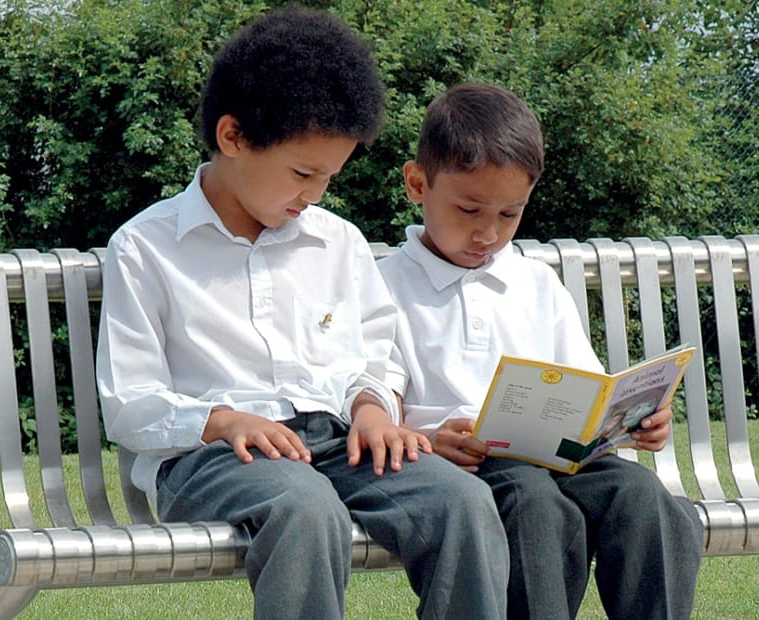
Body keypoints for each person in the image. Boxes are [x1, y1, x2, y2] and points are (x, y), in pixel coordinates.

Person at [94, 8, 509, 620]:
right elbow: (129, 401)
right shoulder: (147, 247)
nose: (314, 195)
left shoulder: (337, 242)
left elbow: (374, 353)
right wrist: (221, 420)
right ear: (233, 137)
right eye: (302, 173)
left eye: (329, 177)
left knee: (463, 502)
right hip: (212, 459)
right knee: (305, 507)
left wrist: (372, 408)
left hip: (337, 442)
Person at [377, 83, 703, 620]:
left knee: (646, 498)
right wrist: (429, 442)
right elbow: (375, 406)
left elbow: (589, 389)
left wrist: (636, 419)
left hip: (561, 459)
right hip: (466, 468)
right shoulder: (384, 288)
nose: (487, 231)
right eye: (468, 208)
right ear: (418, 183)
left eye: (509, 215)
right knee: (534, 503)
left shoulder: (536, 285)